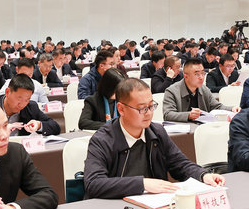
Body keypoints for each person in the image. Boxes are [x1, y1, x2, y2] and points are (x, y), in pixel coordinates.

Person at [82, 78, 225, 199]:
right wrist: (142, 184)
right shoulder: (103, 139)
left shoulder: (156, 132)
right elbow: (94, 183)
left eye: (151, 106)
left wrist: (203, 175)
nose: (149, 113)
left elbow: (180, 164)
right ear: (121, 109)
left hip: (154, 205)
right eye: (142, 108)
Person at [162, 59, 239, 122]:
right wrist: (188, 115)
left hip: (202, 129)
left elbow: (216, 106)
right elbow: (168, 114)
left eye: (202, 73)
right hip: (181, 130)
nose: (201, 77)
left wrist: (232, 108)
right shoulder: (172, 91)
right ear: (186, 76)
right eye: (197, 74)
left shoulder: (204, 89)